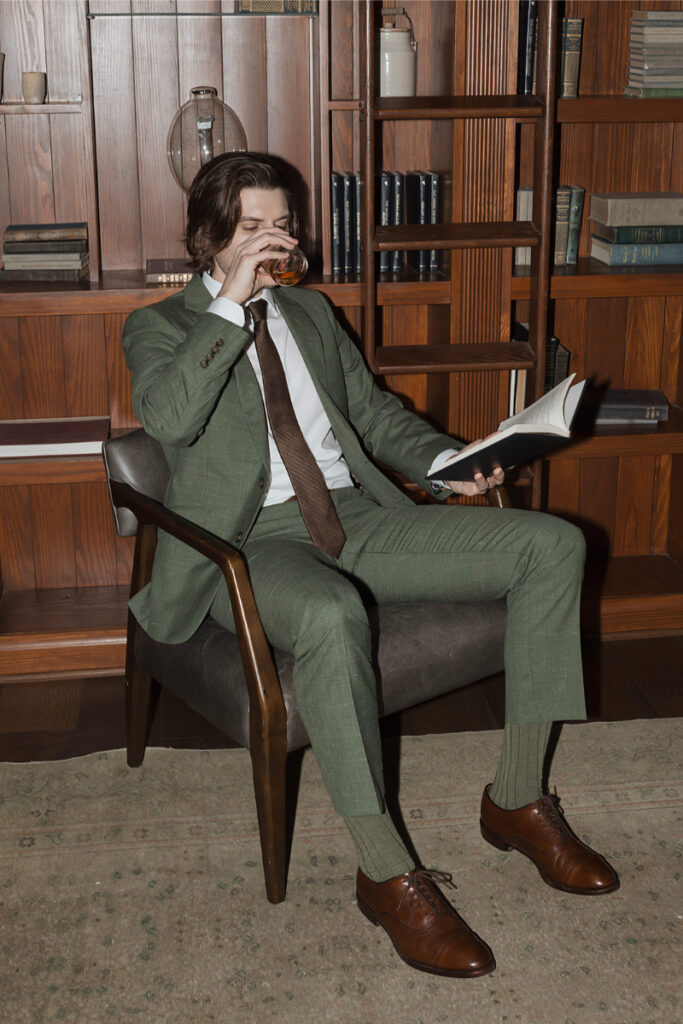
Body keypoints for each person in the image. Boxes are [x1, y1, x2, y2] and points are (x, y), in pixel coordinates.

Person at [122, 151, 619, 980]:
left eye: (280, 224)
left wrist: (450, 463)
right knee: (328, 615)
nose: (271, 241)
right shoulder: (161, 326)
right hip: (250, 542)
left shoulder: (312, 315)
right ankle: (387, 872)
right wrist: (232, 304)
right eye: (250, 227)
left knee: (551, 544)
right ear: (210, 236)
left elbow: (377, 418)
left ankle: (517, 799)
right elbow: (169, 420)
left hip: (355, 518)